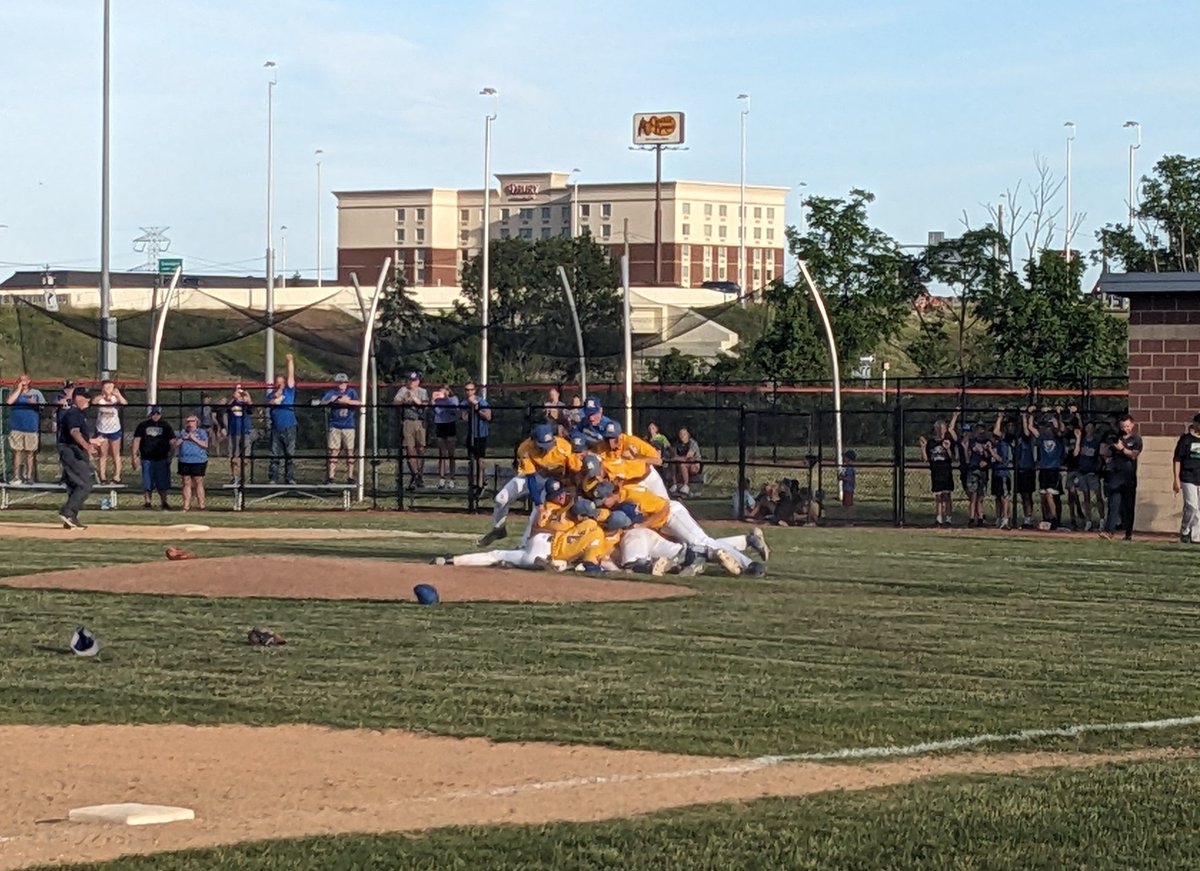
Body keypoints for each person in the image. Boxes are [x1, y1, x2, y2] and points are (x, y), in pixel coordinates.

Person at [56, 386, 103, 529]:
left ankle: (71, 518)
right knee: (85, 484)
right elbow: (74, 432)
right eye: (86, 398)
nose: (88, 401)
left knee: (74, 485)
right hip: (71, 451)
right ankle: (67, 512)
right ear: (77, 398)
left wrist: (91, 442)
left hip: (73, 450)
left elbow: (79, 434)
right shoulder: (74, 413)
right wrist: (87, 446)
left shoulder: (79, 414)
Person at [1100, 414, 1142, 541]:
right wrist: (1107, 452)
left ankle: (1128, 532)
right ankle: (1109, 531)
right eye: (1123, 426)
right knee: (1114, 504)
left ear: (1132, 425)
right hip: (1115, 475)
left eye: (1128, 426)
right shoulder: (1115, 437)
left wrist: (1122, 449)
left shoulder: (1136, 439)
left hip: (1129, 476)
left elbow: (1134, 455)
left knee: (1128, 506)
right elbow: (1105, 452)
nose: (1125, 429)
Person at [132, 406, 175, 510]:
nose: (155, 416)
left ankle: (164, 502)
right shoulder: (143, 425)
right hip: (147, 458)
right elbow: (136, 440)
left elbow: (172, 442)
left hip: (162, 458)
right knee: (148, 482)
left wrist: (171, 456)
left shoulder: (165, 425)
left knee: (162, 482)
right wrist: (134, 456)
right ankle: (147, 502)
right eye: (153, 414)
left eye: (157, 414)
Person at [919, 413, 957, 527]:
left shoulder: (948, 441)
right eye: (938, 429)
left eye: (943, 429)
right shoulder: (931, 442)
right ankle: (939, 518)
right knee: (938, 496)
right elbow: (925, 459)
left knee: (947, 495)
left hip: (946, 471)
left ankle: (948, 519)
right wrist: (923, 447)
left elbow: (953, 458)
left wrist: (948, 449)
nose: (940, 431)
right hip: (936, 472)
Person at [321, 373, 361, 484]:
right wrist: (332, 400)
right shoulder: (331, 393)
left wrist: (347, 402)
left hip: (349, 426)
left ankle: (350, 476)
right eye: (340, 382)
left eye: (344, 382)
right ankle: (331, 477)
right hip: (335, 425)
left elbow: (359, 402)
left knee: (350, 451)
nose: (342, 385)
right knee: (334, 451)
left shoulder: (351, 392)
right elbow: (322, 402)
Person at [6, 373, 45, 484]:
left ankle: (28, 476)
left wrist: (35, 403)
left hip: (31, 427)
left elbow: (43, 406)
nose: (22, 381)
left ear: (29, 381)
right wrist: (18, 389)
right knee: (17, 452)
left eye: (24, 380)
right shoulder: (14, 392)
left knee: (30, 452)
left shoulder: (36, 393)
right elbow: (9, 402)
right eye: (20, 380)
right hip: (17, 427)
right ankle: (16, 476)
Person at [265, 353, 297, 484]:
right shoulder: (271, 395)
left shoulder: (289, 391)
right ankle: (273, 477)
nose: (279, 385)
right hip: (276, 427)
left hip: (289, 425)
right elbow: (270, 403)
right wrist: (276, 395)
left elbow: (291, 376)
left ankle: (289, 478)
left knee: (290, 453)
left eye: (281, 383)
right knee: (274, 453)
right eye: (277, 383)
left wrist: (290, 361)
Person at [393, 371, 428, 489]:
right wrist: (405, 401)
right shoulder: (403, 390)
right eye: (410, 380)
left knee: (421, 449)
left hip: (419, 421)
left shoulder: (422, 391)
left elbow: (426, 404)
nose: (411, 383)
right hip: (408, 421)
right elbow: (396, 401)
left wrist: (417, 401)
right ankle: (415, 474)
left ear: (418, 381)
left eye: (414, 380)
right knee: (409, 449)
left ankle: (420, 475)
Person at [92, 380, 128, 484]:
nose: (108, 390)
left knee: (115, 453)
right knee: (103, 454)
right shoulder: (100, 399)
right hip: (102, 429)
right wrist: (103, 396)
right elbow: (93, 402)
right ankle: (102, 476)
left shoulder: (115, 399)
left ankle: (117, 476)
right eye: (106, 387)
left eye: (110, 387)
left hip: (114, 429)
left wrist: (118, 395)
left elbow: (125, 403)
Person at [1172, 414, 1200, 544]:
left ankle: (1195, 536)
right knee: (1192, 506)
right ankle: (1185, 530)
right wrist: (1176, 479)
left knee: (1199, 510)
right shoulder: (1186, 440)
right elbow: (1177, 459)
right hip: (1188, 477)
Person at [461, 380, 491, 496]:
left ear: (475, 390)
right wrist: (469, 408)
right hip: (471, 434)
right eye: (467, 390)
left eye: (471, 390)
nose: (469, 392)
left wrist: (477, 407)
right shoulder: (464, 402)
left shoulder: (481, 401)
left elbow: (488, 416)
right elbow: (464, 418)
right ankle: (473, 483)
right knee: (471, 459)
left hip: (481, 434)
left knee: (480, 460)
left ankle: (480, 484)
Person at [174, 414, 209, 511]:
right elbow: (175, 444)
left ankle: (201, 505)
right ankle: (186, 505)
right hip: (184, 460)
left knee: (198, 481)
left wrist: (193, 438)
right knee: (186, 481)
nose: (190, 424)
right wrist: (183, 438)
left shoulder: (201, 432)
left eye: (192, 421)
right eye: (188, 421)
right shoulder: (182, 433)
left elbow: (205, 445)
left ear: (196, 423)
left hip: (198, 460)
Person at [1074, 420, 1103, 531]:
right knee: (1086, 498)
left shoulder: (1096, 442)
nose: (1089, 430)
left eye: (1091, 428)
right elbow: (1076, 453)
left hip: (1092, 473)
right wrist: (1078, 439)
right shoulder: (1081, 441)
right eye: (1087, 428)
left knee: (1098, 496)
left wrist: (1097, 469)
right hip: (1082, 472)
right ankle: (1088, 520)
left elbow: (1099, 458)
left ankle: (1101, 519)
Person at [963, 425, 992, 527]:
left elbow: (989, 457)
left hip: (983, 471)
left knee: (980, 496)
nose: (981, 431)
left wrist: (986, 459)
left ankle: (980, 517)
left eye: (982, 428)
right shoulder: (971, 441)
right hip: (973, 470)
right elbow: (967, 456)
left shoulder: (987, 442)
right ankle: (971, 518)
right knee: (973, 496)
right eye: (979, 429)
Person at [431, 383, 459, 489]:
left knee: (451, 453)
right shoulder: (437, 400)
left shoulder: (453, 399)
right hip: (440, 425)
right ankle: (441, 478)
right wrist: (433, 400)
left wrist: (446, 399)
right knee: (442, 453)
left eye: (445, 390)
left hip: (450, 425)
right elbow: (436, 411)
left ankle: (452, 478)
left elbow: (454, 410)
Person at [224, 383, 254, 484]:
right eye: (237, 390)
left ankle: (245, 477)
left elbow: (251, 410)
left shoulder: (245, 402)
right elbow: (226, 409)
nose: (239, 392)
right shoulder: (231, 402)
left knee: (245, 456)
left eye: (241, 390)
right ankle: (234, 477)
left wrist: (248, 400)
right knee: (234, 456)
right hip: (233, 432)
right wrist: (233, 399)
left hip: (245, 431)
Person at [989, 414, 1013, 530]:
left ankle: (1005, 519)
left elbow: (1001, 459)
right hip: (996, 473)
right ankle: (998, 518)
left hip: (1003, 474)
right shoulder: (996, 444)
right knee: (998, 497)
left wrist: (990, 451)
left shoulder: (1003, 444)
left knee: (1005, 497)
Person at [670, 426, 703, 496]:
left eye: (684, 434)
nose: (682, 436)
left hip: (694, 465)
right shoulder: (677, 444)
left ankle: (686, 485)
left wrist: (677, 458)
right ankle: (674, 484)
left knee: (682, 464)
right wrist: (676, 458)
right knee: (673, 463)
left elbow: (688, 457)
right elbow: (673, 457)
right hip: (682, 464)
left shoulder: (693, 443)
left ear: (688, 435)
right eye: (680, 434)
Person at [838, 450, 857, 522]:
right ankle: (847, 518)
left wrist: (842, 478)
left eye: (845, 457)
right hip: (845, 488)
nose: (844, 458)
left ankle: (850, 519)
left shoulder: (850, 467)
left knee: (848, 505)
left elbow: (849, 478)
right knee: (845, 504)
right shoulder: (846, 466)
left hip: (849, 488)